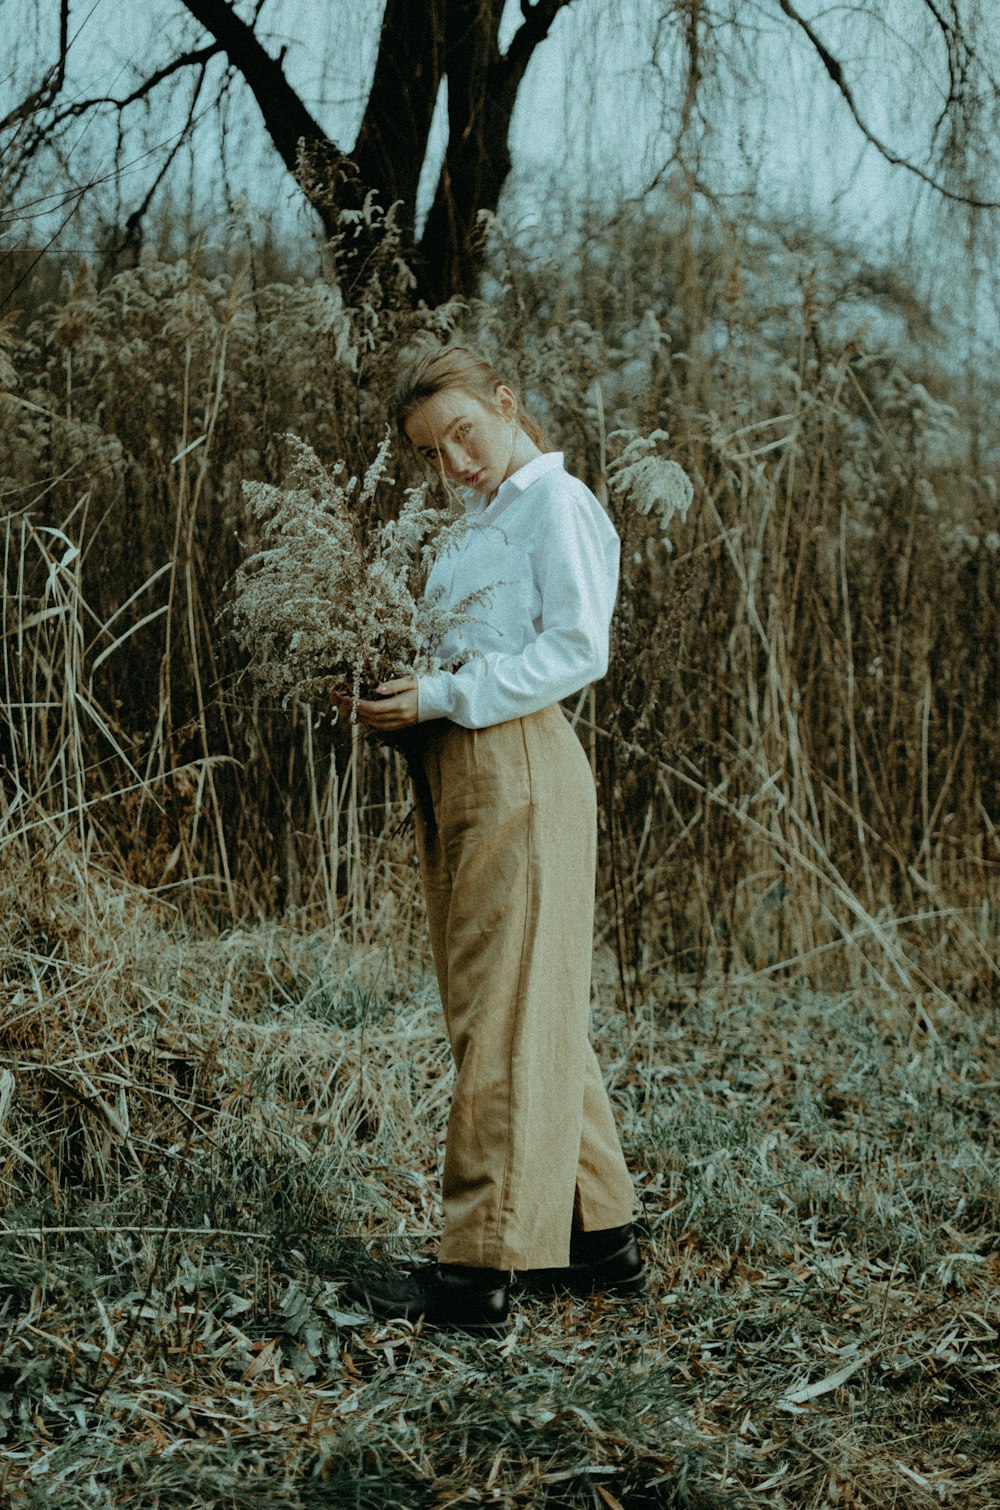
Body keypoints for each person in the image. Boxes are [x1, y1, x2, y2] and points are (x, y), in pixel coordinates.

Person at [341, 344, 642, 1335]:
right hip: (455, 761)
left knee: (502, 1006)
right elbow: (464, 648)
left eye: (464, 432)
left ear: (505, 404)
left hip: (517, 757)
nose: (454, 462)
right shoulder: (478, 526)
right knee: (523, 993)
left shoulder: (555, 504)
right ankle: (600, 1234)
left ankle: (479, 1266)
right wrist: (400, 691)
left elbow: (576, 648)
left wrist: (445, 694)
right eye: (431, 452)